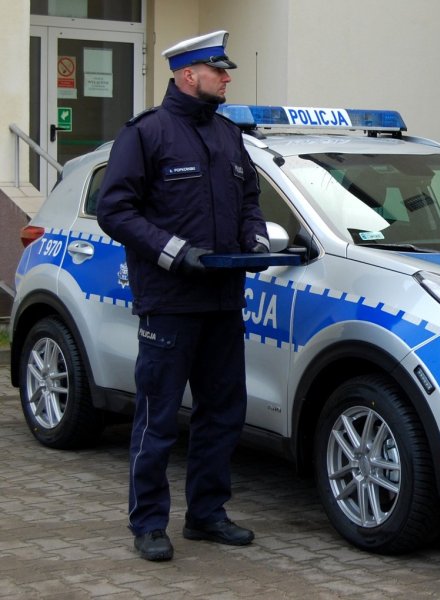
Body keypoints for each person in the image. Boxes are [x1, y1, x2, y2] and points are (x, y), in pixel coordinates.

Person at [96, 30, 270, 561]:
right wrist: (173, 251)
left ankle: (207, 514)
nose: (227, 78)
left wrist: (257, 240)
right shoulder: (146, 133)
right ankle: (149, 523)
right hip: (169, 302)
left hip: (223, 301)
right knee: (158, 417)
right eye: (219, 70)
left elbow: (249, 200)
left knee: (223, 414)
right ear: (189, 74)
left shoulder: (228, 134)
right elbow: (115, 211)